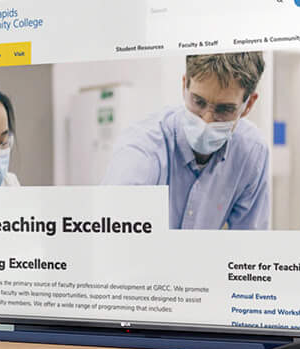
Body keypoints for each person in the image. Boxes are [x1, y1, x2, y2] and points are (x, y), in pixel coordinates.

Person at [103, 52, 270, 230]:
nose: (206, 121)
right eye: (198, 102)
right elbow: (112, 235)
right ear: (184, 86)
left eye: (224, 109)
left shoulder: (252, 152)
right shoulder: (142, 150)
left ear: (249, 104)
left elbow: (248, 244)